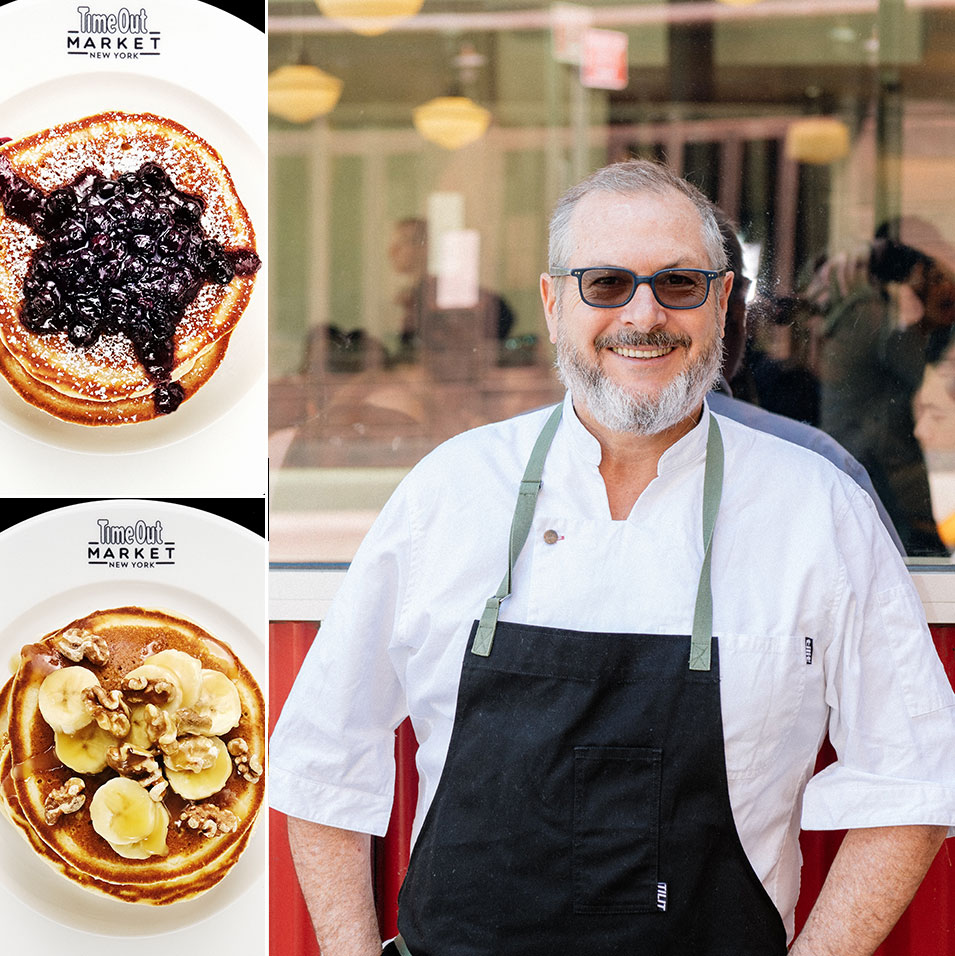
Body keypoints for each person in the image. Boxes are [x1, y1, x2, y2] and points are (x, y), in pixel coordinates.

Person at [270, 161, 955, 956]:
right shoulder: (450, 494)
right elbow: (323, 753)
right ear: (554, 302)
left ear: (722, 302)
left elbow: (910, 782)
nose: (643, 314)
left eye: (678, 284)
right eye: (605, 283)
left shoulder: (818, 510)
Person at [707, 209, 905, 555]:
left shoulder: (815, 453)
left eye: (825, 311)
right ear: (735, 311)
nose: (812, 326)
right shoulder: (821, 463)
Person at [810, 231, 955, 556]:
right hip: (872, 458)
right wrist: (933, 322)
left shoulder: (863, 310)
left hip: (859, 449)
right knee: (919, 550)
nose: (935, 283)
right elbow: (926, 377)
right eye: (930, 274)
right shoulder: (876, 316)